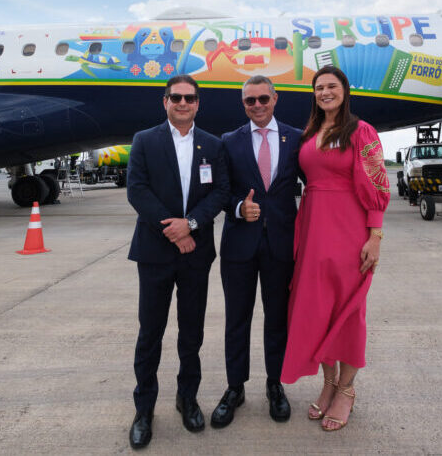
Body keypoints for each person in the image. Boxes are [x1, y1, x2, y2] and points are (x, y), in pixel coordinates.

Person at [280, 65, 390, 432]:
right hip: (312, 229)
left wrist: (375, 237)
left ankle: (347, 389)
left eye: (331, 86)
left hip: (349, 230)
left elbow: (377, 183)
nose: (325, 92)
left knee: (349, 310)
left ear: (344, 90)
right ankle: (327, 383)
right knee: (318, 309)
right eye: (319, 88)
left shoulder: (361, 131)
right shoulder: (310, 132)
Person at [125, 74, 229, 449]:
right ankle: (144, 408)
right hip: (155, 251)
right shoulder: (145, 140)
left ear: (198, 104)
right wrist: (173, 228)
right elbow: (136, 189)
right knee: (149, 333)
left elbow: (220, 191)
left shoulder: (212, 145)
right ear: (164, 101)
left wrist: (193, 225)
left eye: (189, 98)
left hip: (195, 254)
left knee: (191, 333)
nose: (183, 103)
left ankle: (188, 398)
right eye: (176, 97)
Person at [211, 75, 303, 428]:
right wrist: (238, 208)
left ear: (275, 99)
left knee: (277, 320)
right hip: (239, 245)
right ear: (243, 104)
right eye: (250, 101)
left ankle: (275, 385)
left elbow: (321, 184)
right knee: (237, 320)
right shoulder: (228, 141)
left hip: (281, 244)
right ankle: (235, 388)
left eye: (264, 98)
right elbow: (221, 191)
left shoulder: (295, 138)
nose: (258, 105)